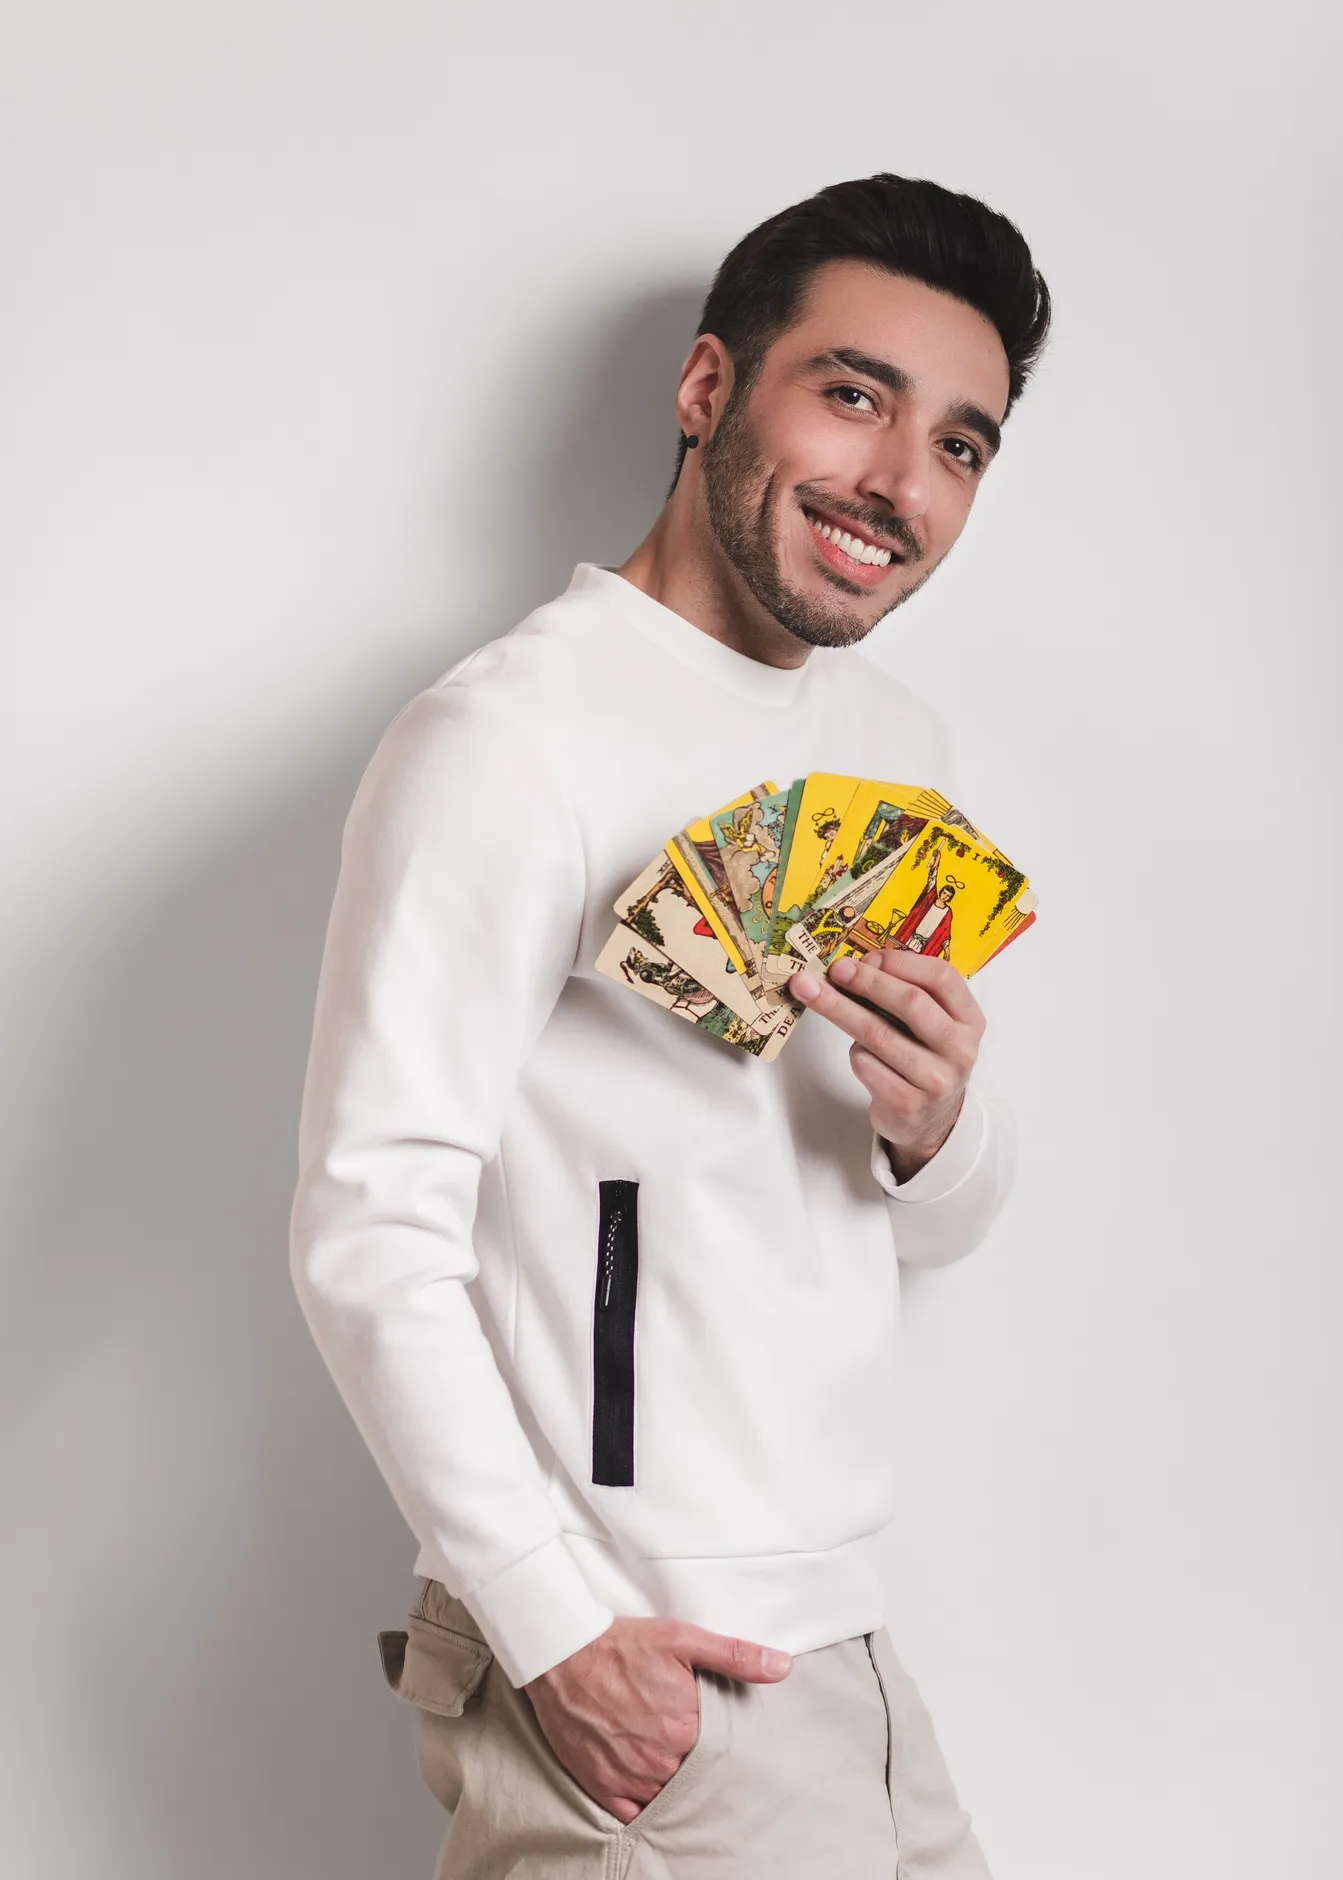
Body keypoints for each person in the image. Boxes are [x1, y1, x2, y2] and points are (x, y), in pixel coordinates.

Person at [290, 170, 1050, 1877]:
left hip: (850, 1640)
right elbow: (365, 1226)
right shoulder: (507, 743)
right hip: (643, 1654)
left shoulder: (899, 747)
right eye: (852, 395)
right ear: (709, 386)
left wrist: (940, 1127)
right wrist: (557, 1628)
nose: (900, 482)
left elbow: (928, 1224)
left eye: (959, 443)